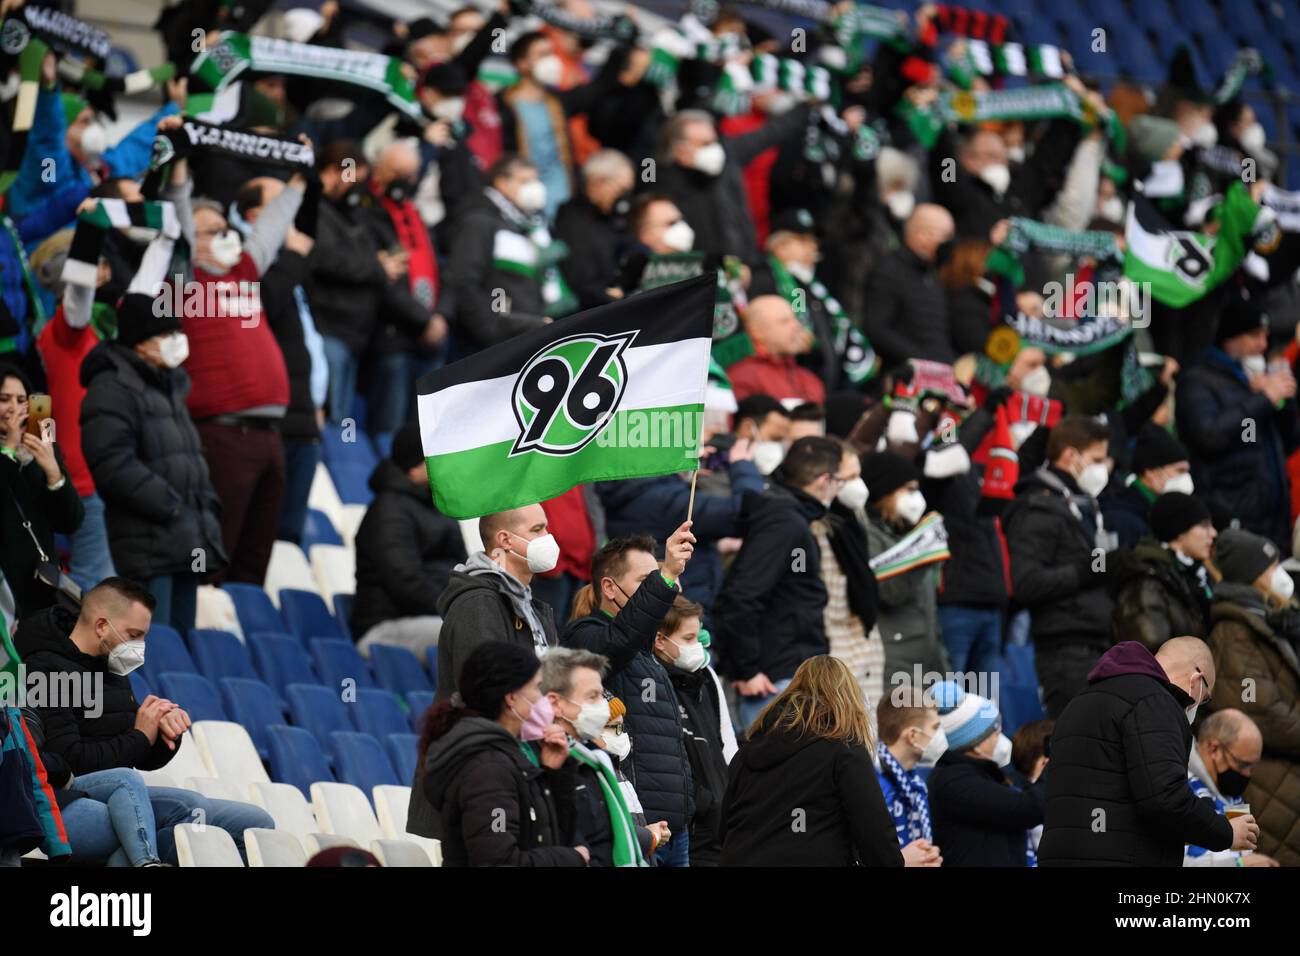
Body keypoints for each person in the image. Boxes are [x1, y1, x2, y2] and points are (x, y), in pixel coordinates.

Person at [14, 578, 275, 864]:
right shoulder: (46, 669)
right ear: (102, 626)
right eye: (134, 634)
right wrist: (141, 735)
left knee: (255, 822)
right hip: (76, 792)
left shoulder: (112, 667)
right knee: (190, 809)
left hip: (125, 795)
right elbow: (69, 759)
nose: (139, 646)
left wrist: (164, 734)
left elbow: (140, 755)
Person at [1038, 637, 1258, 866]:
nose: (1194, 709)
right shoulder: (1155, 701)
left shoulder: (1079, 702)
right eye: (1203, 699)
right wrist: (1228, 831)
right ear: (1196, 680)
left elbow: (1112, 794)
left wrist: (1178, 833)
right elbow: (1165, 799)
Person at [79, 295, 226, 633]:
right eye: (165, 334)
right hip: (149, 544)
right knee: (153, 647)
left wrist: (205, 511)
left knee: (181, 646)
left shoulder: (170, 387)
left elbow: (188, 459)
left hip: (185, 540)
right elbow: (112, 463)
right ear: (140, 342)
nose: (176, 341)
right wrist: (171, 505)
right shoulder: (112, 388)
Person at [561, 526, 697, 867]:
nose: (659, 591)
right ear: (609, 587)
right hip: (638, 826)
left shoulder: (645, 650)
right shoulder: (585, 636)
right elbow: (617, 643)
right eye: (644, 581)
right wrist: (665, 576)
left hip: (674, 828)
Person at [408, 640, 589, 866]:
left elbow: (550, 839)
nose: (541, 699)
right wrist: (571, 859)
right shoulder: (488, 771)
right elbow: (496, 861)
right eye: (536, 688)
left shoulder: (508, 757)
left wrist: (554, 772)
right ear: (512, 698)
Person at [718, 655, 903, 866]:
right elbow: (875, 832)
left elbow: (725, 828)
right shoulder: (844, 751)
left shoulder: (746, 753)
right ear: (848, 700)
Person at [715, 437, 843, 727]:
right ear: (824, 480)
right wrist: (747, 670)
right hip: (776, 680)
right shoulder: (785, 521)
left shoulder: (790, 517)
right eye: (840, 481)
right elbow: (742, 594)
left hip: (787, 673)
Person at [233, 178, 327, 547]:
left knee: (289, 539)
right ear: (256, 215)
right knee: (256, 534)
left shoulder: (294, 257)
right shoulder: (240, 257)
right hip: (271, 422)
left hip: (304, 420)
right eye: (284, 203)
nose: (295, 209)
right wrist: (293, 256)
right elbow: (262, 304)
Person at [1003, 415, 1116, 718]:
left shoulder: (1082, 504)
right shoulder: (1038, 508)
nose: (1105, 467)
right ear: (1070, 455)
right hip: (1065, 653)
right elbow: (1027, 583)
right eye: (1097, 459)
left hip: (1097, 643)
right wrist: (1086, 572)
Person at [1203, 528, 1300, 865]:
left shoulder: (1267, 621)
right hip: (1270, 787)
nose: (1280, 575)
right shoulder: (1234, 633)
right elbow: (1261, 711)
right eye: (1271, 566)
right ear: (1253, 576)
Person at [1176, 295, 1300, 550]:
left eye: (1265, 337)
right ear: (1231, 337)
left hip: (1274, 518)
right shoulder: (1198, 380)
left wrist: (1283, 403)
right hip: (1233, 514)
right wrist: (1263, 400)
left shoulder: (1255, 380)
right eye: (1254, 336)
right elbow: (1209, 436)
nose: (1263, 345)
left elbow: (1288, 441)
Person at [596, 438, 762, 613]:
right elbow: (746, 512)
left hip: (671, 603)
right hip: (683, 608)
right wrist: (742, 465)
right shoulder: (661, 499)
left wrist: (683, 477)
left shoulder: (633, 490)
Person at [539, 647, 663, 866]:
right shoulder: (546, 763)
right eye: (592, 697)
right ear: (555, 703)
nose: (602, 708)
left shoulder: (595, 760)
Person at [352, 424, 466, 658]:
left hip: (436, 616)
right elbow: (406, 583)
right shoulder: (388, 511)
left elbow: (463, 569)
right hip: (387, 625)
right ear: (413, 468)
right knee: (472, 633)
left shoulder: (439, 505)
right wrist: (456, 610)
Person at [362, 139, 448, 443]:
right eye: (398, 172)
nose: (405, 182)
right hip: (392, 336)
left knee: (423, 434)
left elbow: (442, 270)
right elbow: (384, 279)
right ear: (379, 170)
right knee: (389, 428)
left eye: (411, 175)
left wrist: (440, 317)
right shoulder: (366, 211)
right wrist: (424, 320)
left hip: (430, 339)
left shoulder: (415, 213)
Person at [434, 503, 560, 702]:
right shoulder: (478, 604)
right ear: (505, 540)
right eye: (537, 530)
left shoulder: (533, 606)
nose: (548, 537)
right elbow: (486, 691)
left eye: (546, 528)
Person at [656, 106, 811, 260]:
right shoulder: (662, 181)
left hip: (746, 263)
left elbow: (770, 133)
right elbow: (645, 167)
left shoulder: (728, 154)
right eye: (704, 144)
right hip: (703, 271)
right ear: (680, 150)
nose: (713, 149)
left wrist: (807, 106)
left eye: (714, 141)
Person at [444, 155, 561, 350]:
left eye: (535, 180)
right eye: (524, 181)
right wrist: (490, 329)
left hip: (525, 335)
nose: (534, 187)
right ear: (501, 182)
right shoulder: (479, 221)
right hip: (492, 343)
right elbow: (463, 280)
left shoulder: (529, 226)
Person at [308, 139, 385, 424]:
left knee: (341, 422)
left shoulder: (350, 214)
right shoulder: (313, 208)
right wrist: (377, 267)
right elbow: (325, 258)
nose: (357, 190)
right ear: (330, 172)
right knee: (329, 423)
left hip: (353, 334)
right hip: (328, 327)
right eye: (353, 180)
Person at [656, 596, 737, 866]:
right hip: (691, 833)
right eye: (688, 639)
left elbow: (724, 746)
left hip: (719, 830)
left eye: (698, 638)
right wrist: (704, 803)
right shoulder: (654, 687)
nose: (698, 647)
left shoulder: (705, 681)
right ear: (660, 641)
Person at [927, 681, 1043, 866]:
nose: (1000, 737)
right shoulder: (954, 781)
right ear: (976, 742)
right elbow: (1028, 809)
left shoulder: (980, 773)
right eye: (994, 730)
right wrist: (1050, 770)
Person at [0, 363, 83, 618]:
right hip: (6, 599)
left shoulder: (40, 450)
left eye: (22, 400)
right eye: (4, 400)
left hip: (43, 592)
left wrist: (53, 472)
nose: (14, 409)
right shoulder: (10, 456)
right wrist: (9, 449)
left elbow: (71, 520)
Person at [861, 451, 950, 687]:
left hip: (926, 661)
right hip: (894, 663)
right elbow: (890, 592)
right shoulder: (868, 535)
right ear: (885, 492)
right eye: (908, 489)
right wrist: (921, 551)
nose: (917, 498)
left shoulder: (902, 533)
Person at [817, 442, 884, 707]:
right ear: (829, 480)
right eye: (850, 477)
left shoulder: (853, 520)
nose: (859, 485)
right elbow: (829, 605)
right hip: (839, 651)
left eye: (859, 475)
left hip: (865, 647)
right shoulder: (820, 529)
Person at [1111, 492, 1216, 649]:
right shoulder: (1147, 580)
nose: (1213, 533)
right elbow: (1151, 646)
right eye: (1204, 525)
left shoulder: (1197, 576)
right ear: (1179, 531)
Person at [863, 204, 957, 370]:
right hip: (905, 372)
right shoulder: (889, 270)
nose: (949, 243)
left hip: (938, 370)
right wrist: (922, 360)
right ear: (922, 235)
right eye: (945, 235)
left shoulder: (931, 273)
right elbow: (876, 329)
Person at [1185, 709, 1279, 866]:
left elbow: (1239, 852)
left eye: (1251, 767)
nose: (1247, 774)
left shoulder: (1230, 793)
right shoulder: (1177, 787)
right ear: (1213, 749)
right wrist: (1238, 865)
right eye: (1242, 765)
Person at [554, 149, 636, 309]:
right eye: (621, 191)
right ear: (597, 183)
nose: (624, 198)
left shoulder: (613, 218)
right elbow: (581, 281)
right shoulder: (572, 221)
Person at [874, 687, 945, 866]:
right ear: (913, 735)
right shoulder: (872, 786)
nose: (941, 736)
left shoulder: (916, 783)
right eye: (935, 728)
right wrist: (901, 861)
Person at [1102, 423, 1194, 548]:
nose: (1185, 478)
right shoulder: (1120, 518)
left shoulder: (1160, 516)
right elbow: (1099, 564)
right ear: (1151, 473)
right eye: (1180, 471)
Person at [725, 296, 826, 406]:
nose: (797, 326)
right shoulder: (742, 378)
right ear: (756, 332)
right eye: (784, 321)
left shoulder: (809, 379)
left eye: (795, 319)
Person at [732, 394, 792, 476]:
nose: (780, 446)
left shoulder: (779, 477)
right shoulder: (716, 465)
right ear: (747, 428)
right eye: (775, 439)